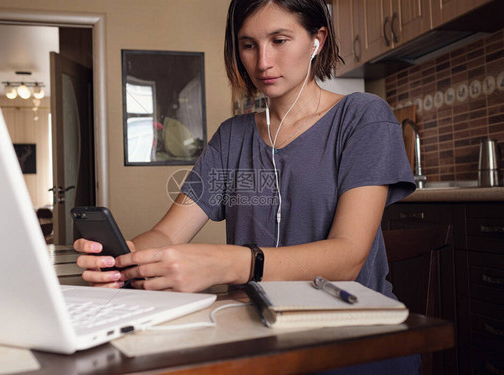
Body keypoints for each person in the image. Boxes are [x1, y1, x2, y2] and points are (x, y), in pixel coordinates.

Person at [76, 0, 420, 372]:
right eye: (248, 44)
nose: (262, 62)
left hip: (353, 343)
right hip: (257, 338)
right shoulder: (232, 136)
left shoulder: (364, 118)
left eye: (279, 40)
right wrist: (124, 258)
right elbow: (166, 234)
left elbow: (347, 257)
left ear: (317, 39)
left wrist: (234, 263)